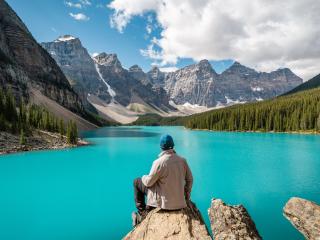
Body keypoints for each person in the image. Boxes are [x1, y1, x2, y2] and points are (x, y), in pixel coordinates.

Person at [132, 134, 193, 226]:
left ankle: (142, 213)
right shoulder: (182, 160)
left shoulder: (159, 162)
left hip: (165, 205)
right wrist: (186, 196)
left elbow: (148, 183)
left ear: (161, 147)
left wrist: (144, 177)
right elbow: (190, 179)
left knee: (137, 181)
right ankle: (147, 210)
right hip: (180, 203)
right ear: (173, 145)